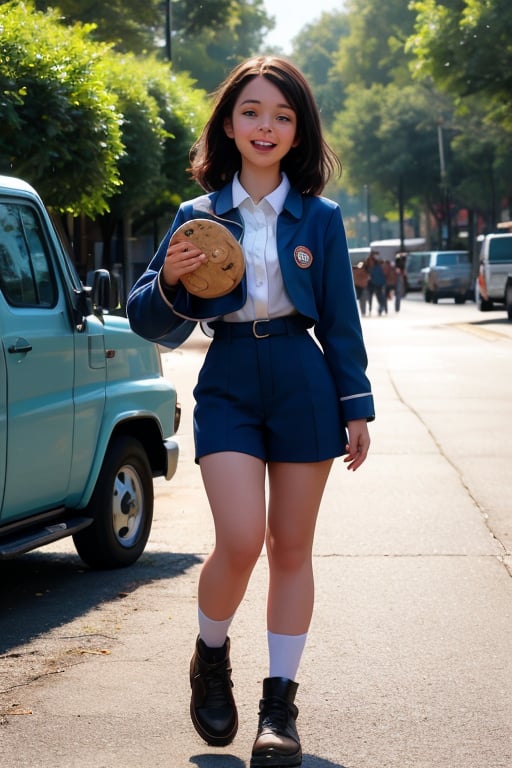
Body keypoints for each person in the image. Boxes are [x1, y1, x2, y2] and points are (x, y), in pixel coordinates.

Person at [127, 56, 374, 768]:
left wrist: (355, 406)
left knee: (291, 548)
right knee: (240, 540)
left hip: (303, 377)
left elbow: (342, 321)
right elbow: (152, 321)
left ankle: (278, 709)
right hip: (229, 375)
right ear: (229, 125)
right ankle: (211, 657)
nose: (266, 126)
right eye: (252, 112)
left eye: (282, 115)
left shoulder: (320, 220)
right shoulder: (195, 217)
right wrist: (169, 280)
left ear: (298, 132)